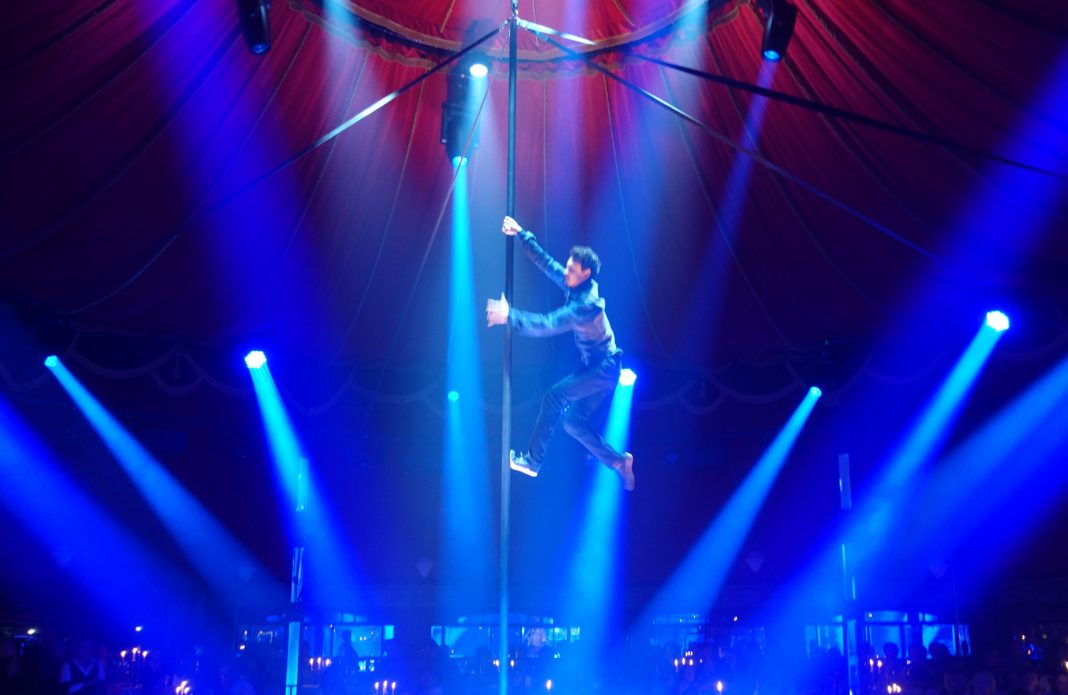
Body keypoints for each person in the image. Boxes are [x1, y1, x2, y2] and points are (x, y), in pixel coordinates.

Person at [486, 216, 635, 490]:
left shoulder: (586, 305)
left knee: (554, 397)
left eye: (572, 269)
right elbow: (549, 265)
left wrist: (510, 315)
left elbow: (548, 324)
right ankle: (617, 461)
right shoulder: (576, 284)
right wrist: (521, 233)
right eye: (568, 267)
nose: (566, 272)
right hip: (597, 369)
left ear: (585, 274)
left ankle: (532, 462)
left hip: (604, 369)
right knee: (574, 423)